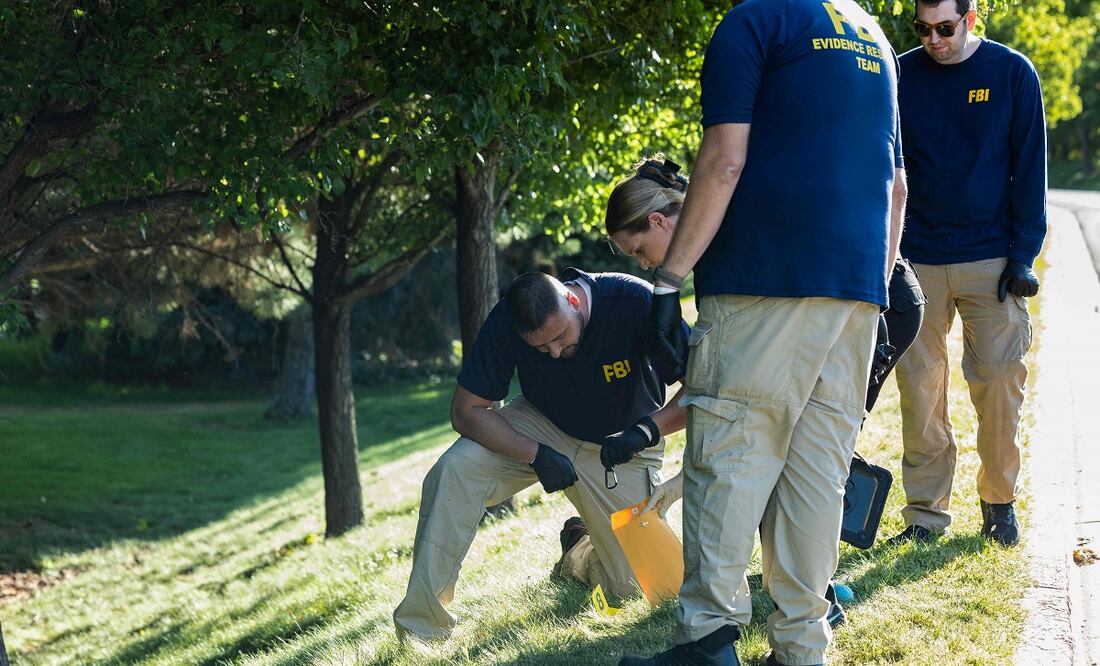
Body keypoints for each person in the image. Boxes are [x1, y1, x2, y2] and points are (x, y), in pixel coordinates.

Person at [619, 0, 906, 663]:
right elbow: (895, 188)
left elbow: (723, 161)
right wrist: (876, 293)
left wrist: (669, 281)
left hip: (763, 281)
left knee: (728, 458)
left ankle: (709, 640)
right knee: (814, 476)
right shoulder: (874, 37)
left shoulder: (755, 22)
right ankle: (802, 645)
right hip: (858, 291)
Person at [392, 269, 689, 641]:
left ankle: (579, 551)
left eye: (560, 336)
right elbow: (465, 410)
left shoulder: (634, 301)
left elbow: (702, 387)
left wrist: (646, 430)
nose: (554, 352)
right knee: (454, 469)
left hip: (623, 446)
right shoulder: (507, 319)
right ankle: (421, 630)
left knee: (650, 590)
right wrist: (535, 454)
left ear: (574, 301)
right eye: (540, 348)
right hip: (540, 425)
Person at [889, 0, 1046, 548]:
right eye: (924, 28)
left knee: (1001, 382)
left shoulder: (1011, 73)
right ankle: (926, 513)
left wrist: (1023, 257)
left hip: (992, 260)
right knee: (920, 387)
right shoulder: (901, 73)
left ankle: (998, 502)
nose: (934, 39)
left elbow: (1030, 169)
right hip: (917, 259)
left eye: (945, 28)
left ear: (971, 18)